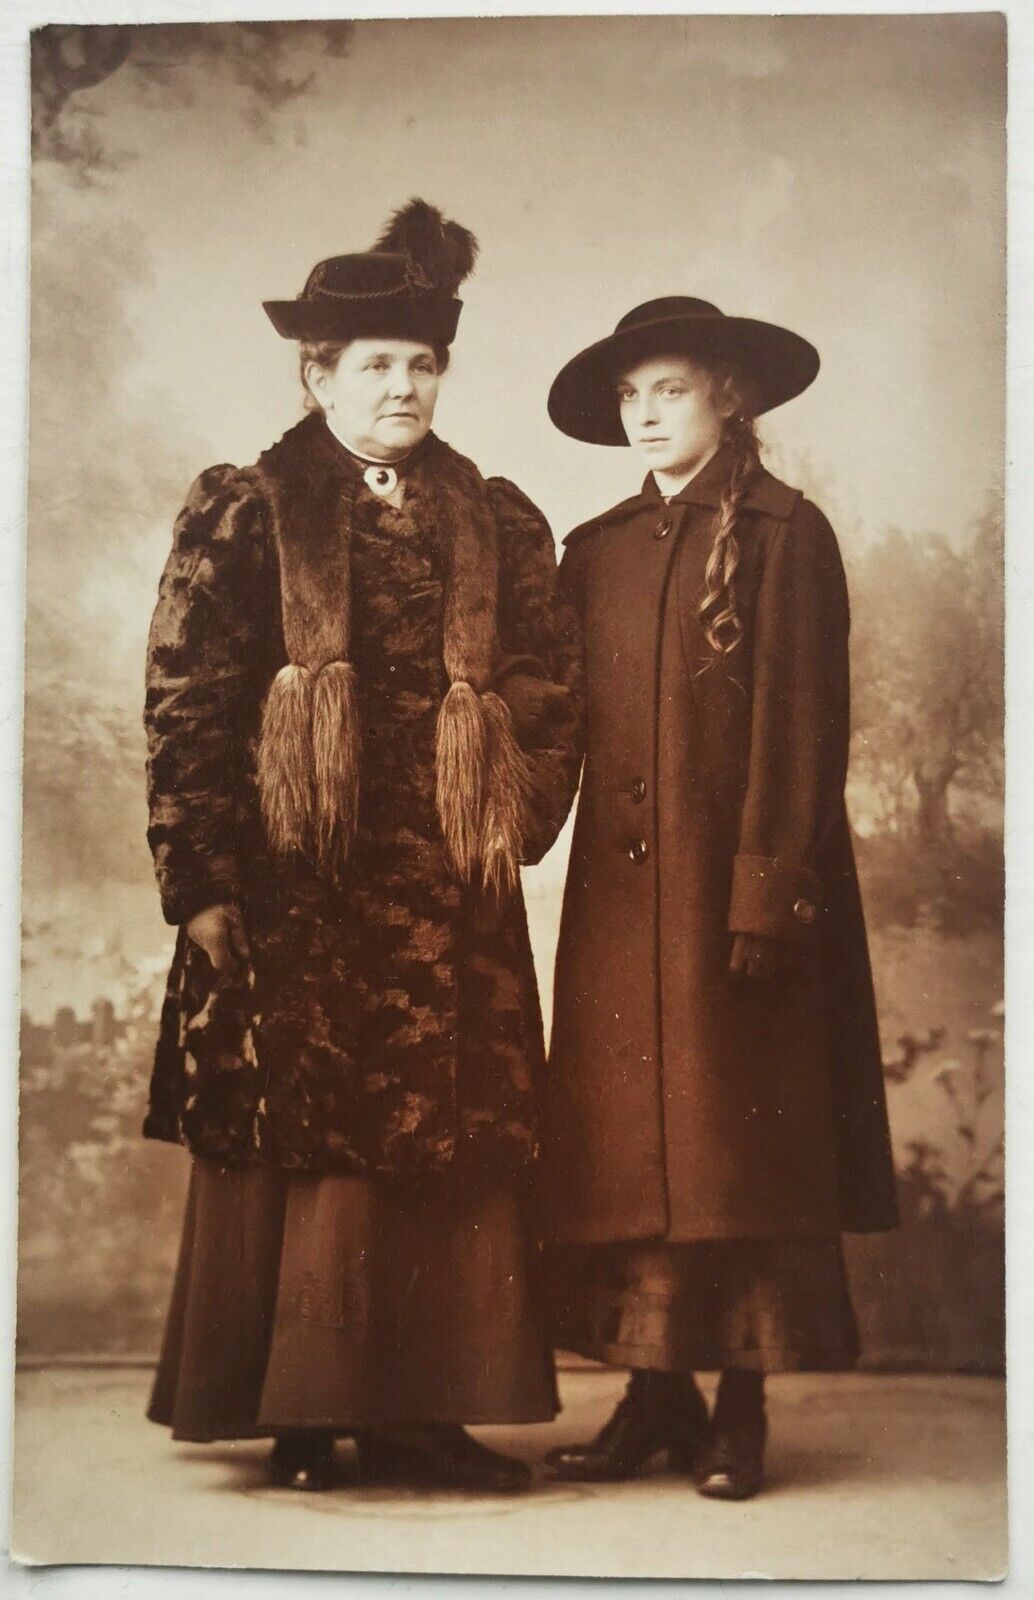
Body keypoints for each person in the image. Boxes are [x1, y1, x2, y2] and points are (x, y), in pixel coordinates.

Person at [142, 199, 584, 1492]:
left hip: (446, 894)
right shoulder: (250, 510)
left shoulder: (494, 521)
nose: (403, 386)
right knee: (311, 1137)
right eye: (375, 365)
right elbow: (185, 702)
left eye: (421, 363)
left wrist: (505, 816)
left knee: (444, 1144)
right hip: (296, 892)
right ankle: (303, 1408)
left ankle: (425, 1409)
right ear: (316, 375)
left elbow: (548, 690)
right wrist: (203, 881)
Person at [539, 297, 898, 1499]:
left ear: (729, 398)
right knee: (632, 1156)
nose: (645, 413)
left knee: (731, 1153)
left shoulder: (788, 537)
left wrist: (760, 898)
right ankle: (655, 1398)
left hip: (734, 906)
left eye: (671, 390)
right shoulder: (592, 549)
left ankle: (738, 1411)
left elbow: (800, 734)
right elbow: (554, 726)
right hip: (614, 917)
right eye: (630, 395)